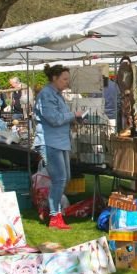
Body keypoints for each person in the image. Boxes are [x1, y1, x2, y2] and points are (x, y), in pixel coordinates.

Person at [35, 64, 84, 230]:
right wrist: (73, 115)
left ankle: (52, 210)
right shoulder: (46, 95)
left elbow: (61, 117)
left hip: (61, 142)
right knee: (59, 179)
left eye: (67, 79)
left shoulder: (58, 95)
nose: (66, 82)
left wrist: (74, 119)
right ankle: (54, 217)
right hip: (50, 142)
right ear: (54, 78)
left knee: (65, 178)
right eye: (64, 79)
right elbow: (54, 118)